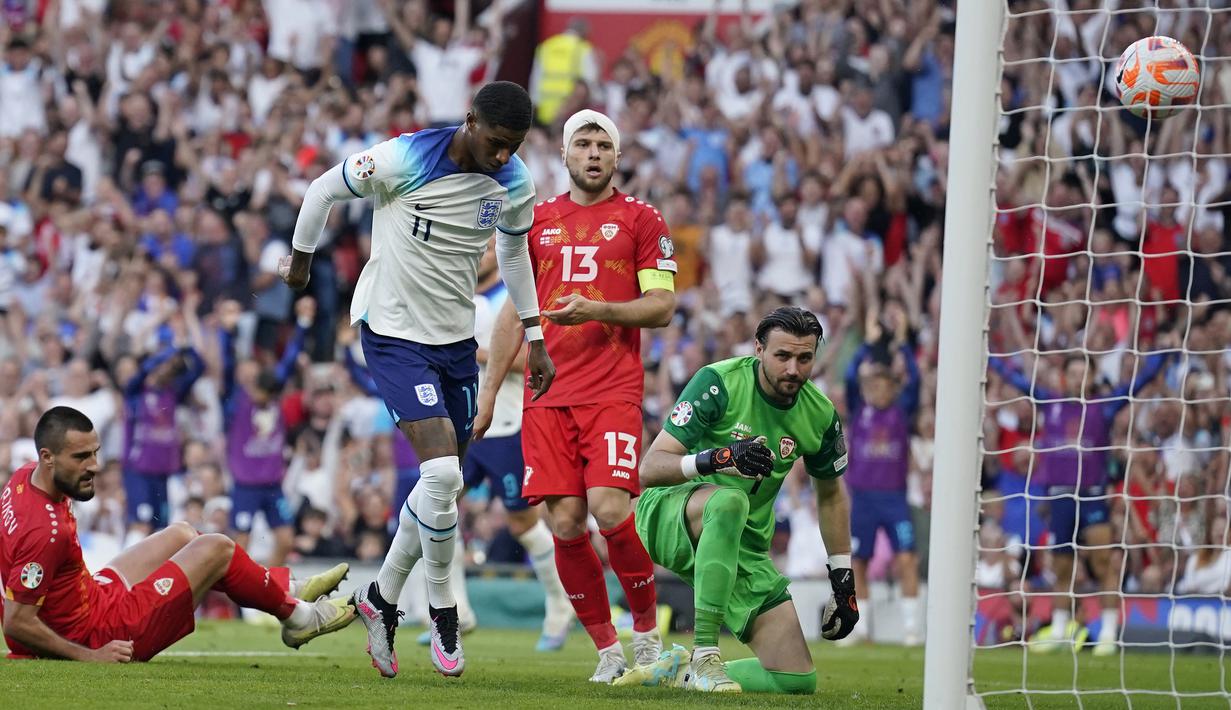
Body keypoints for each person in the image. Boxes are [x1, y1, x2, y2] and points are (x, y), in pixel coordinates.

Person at [281, 80, 555, 679]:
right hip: (392, 331)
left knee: (442, 491)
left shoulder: (512, 183)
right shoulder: (407, 157)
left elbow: (513, 256)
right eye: (498, 142)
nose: (504, 156)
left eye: (515, 147)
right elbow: (324, 187)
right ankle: (443, 608)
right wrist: (301, 261)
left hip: (455, 342)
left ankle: (380, 601)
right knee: (442, 473)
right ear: (470, 121)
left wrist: (534, 334)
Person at [476, 109, 677, 682]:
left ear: (617, 157)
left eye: (603, 145)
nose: (593, 153)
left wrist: (600, 309)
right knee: (565, 524)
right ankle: (607, 649)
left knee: (610, 508)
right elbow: (513, 315)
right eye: (582, 143)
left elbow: (662, 306)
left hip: (612, 388)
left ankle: (645, 634)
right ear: (564, 156)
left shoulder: (643, 220)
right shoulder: (534, 222)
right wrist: (489, 396)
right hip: (546, 397)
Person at [615, 307, 858, 694]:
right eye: (782, 356)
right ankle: (705, 655)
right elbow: (650, 468)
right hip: (669, 513)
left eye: (804, 358)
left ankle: (678, 673)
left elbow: (831, 496)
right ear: (758, 349)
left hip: (742, 546)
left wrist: (843, 580)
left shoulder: (820, 415)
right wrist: (719, 458)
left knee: (796, 681)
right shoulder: (718, 383)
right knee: (729, 502)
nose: (793, 369)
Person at [0, 407, 355, 662]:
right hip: (105, 635)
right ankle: (299, 618)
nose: (94, 465)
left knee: (183, 533)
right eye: (81, 457)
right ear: (47, 457)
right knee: (216, 547)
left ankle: (283, 588)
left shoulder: (23, 478)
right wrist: (90, 656)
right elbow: (17, 623)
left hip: (94, 599)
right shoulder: (46, 532)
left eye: (94, 453)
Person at [412, 238, 573, 651]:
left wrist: (484, 355)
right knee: (437, 502)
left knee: (521, 522)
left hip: (506, 424)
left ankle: (560, 604)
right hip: (464, 422)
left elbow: (542, 361)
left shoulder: (515, 297)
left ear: (499, 255)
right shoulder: (464, 294)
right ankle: (456, 611)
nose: (477, 255)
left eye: (485, 249)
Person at [991, 335, 1173, 656]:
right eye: (1072, 373)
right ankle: (1060, 629)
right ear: (1066, 377)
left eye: (1082, 374)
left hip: (1091, 495)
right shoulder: (1051, 403)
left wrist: (1165, 352)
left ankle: (1108, 633)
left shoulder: (1104, 407)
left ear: (1090, 377)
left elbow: (1140, 381)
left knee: (1103, 562)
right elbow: (1018, 381)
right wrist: (990, 360)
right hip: (1060, 496)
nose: (1077, 379)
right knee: (1062, 567)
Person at [841, 318, 922, 646]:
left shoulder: (901, 411)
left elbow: (915, 378)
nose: (876, 388)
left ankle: (911, 628)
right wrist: (869, 345)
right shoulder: (858, 409)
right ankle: (860, 628)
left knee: (907, 557)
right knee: (859, 561)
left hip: (894, 498)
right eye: (871, 383)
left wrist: (901, 343)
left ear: (892, 386)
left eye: (882, 383)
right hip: (862, 497)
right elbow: (849, 374)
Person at [219, 297, 315, 567]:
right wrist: (227, 332)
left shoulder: (273, 397)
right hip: (245, 486)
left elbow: (290, 358)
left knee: (285, 540)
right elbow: (227, 366)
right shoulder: (235, 403)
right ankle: (242, 597)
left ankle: (268, 587)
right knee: (239, 546)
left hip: (273, 486)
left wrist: (304, 323)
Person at [121, 341, 204, 539]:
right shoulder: (135, 392)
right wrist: (169, 351)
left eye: (171, 366)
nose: (167, 369)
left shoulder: (172, 392)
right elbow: (142, 373)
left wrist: (186, 347)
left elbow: (199, 367)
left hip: (162, 471)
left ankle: (156, 570)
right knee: (141, 524)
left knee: (160, 527)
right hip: (138, 469)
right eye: (163, 364)